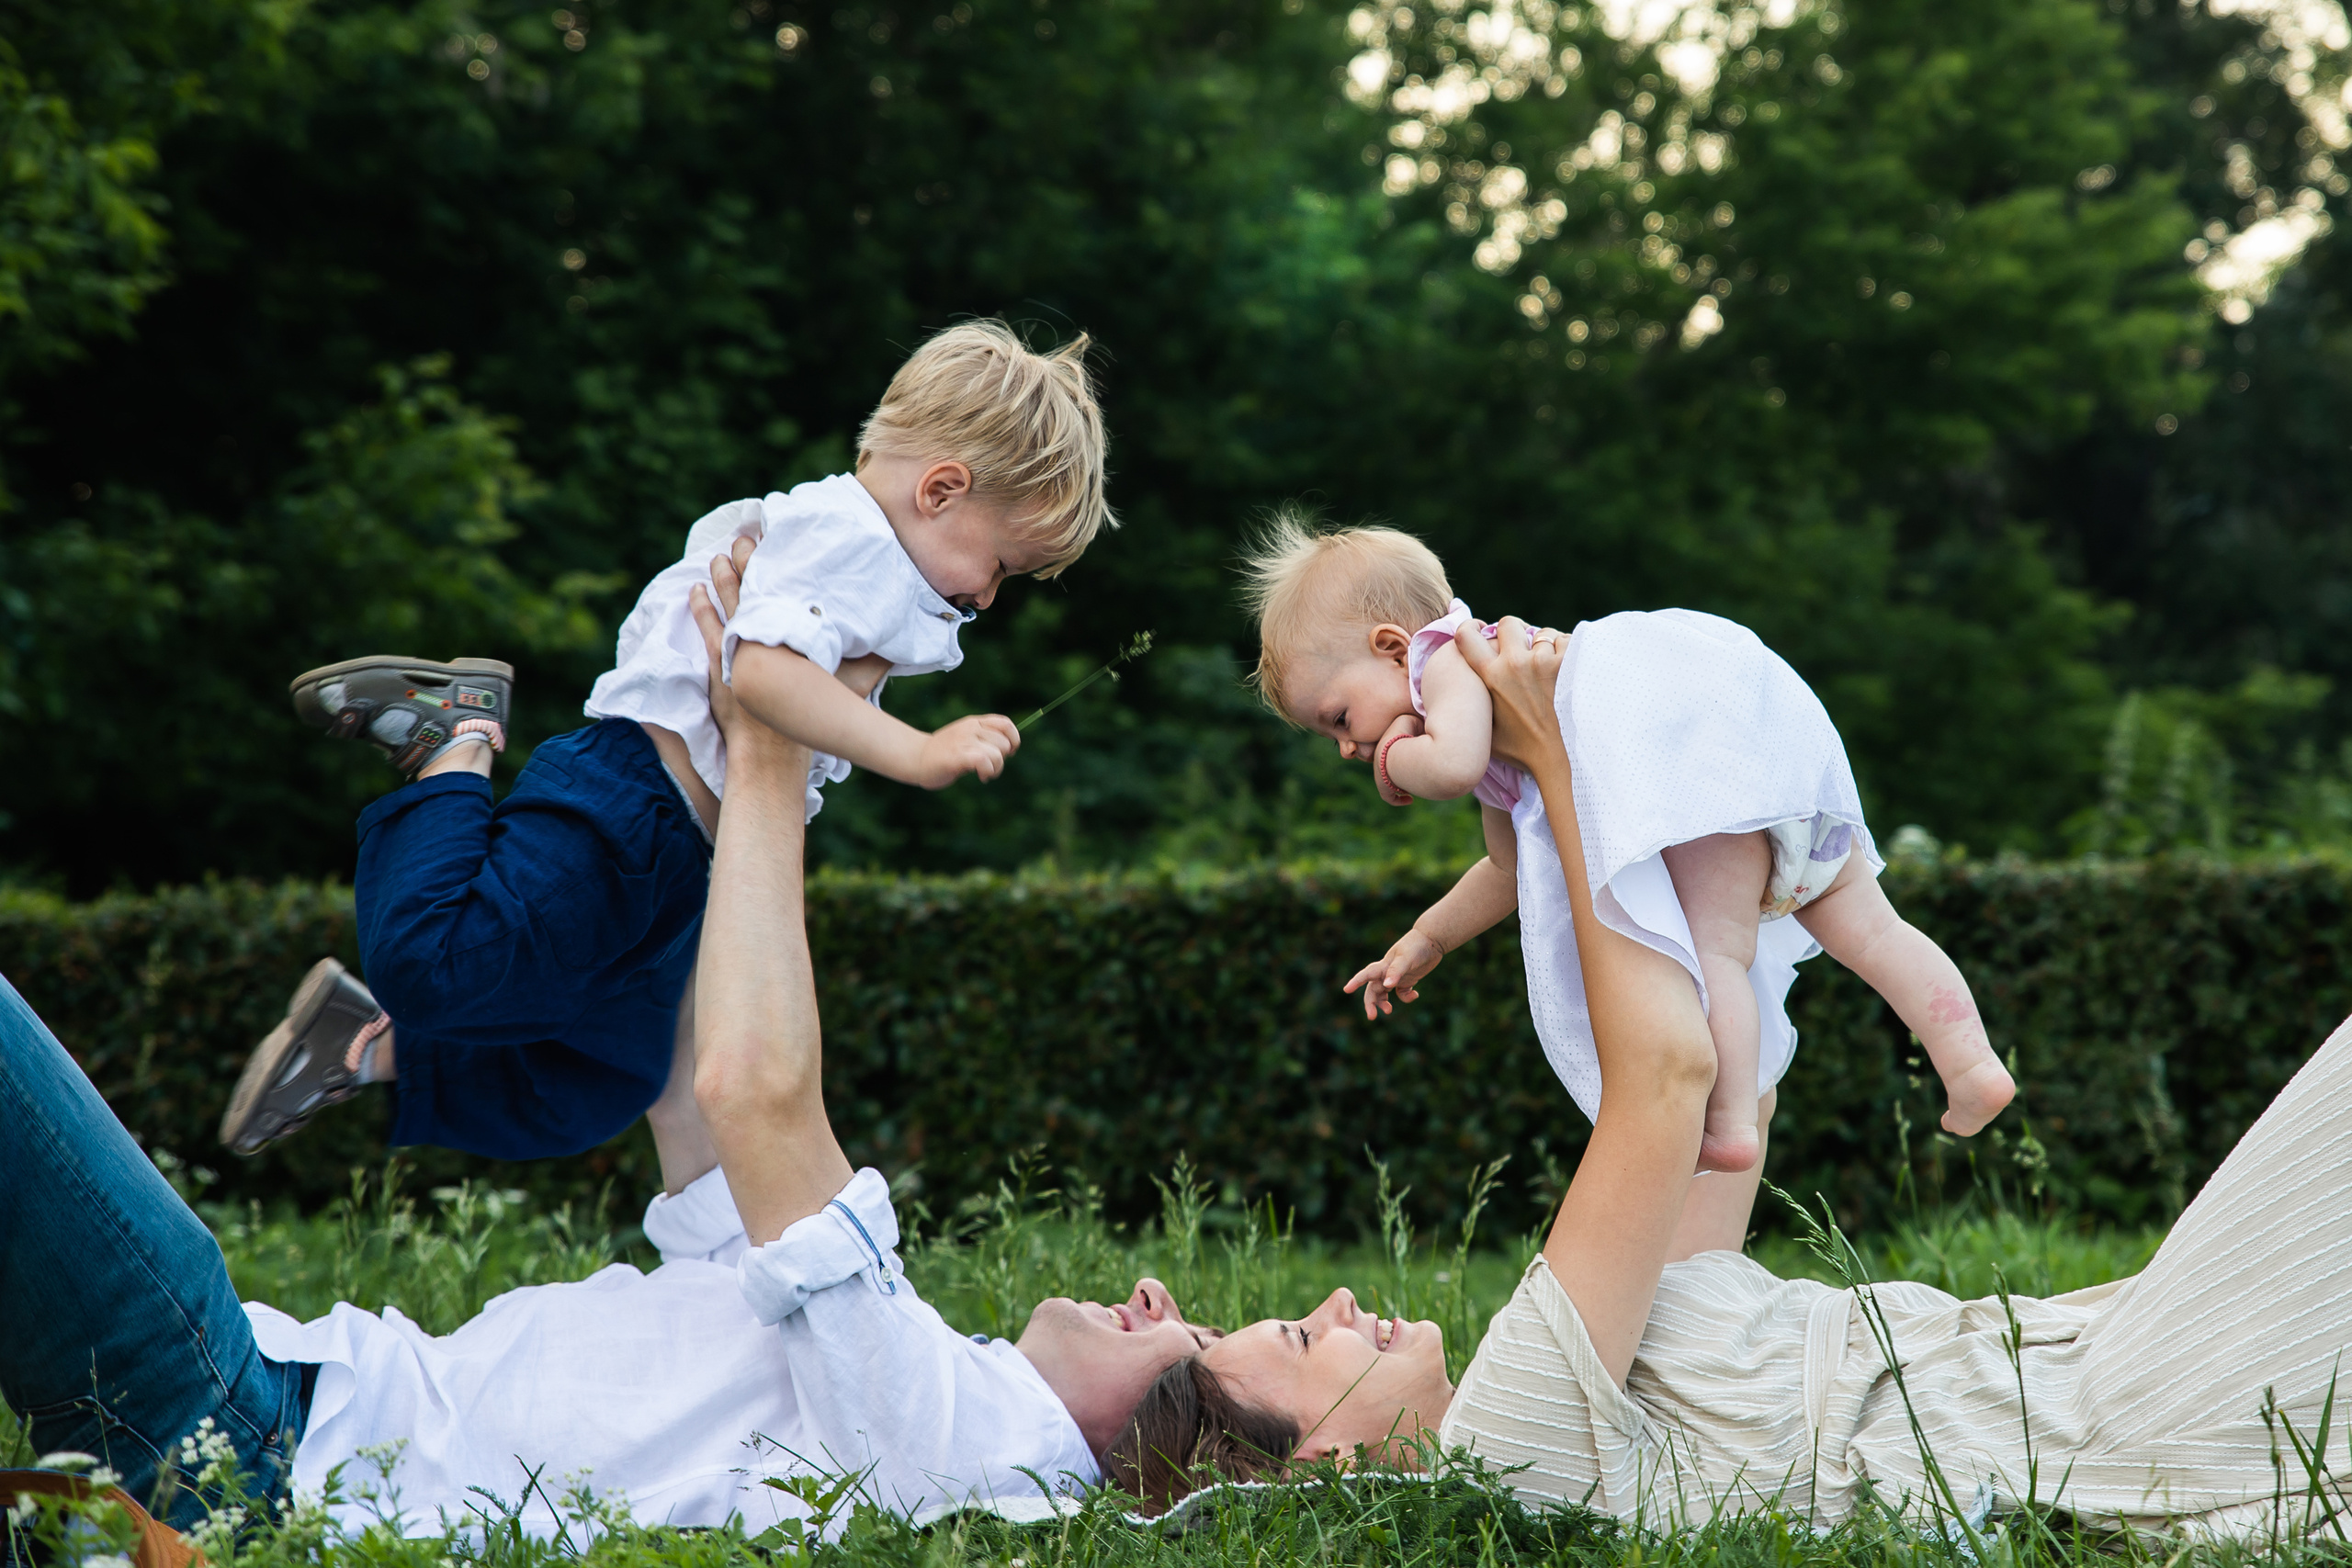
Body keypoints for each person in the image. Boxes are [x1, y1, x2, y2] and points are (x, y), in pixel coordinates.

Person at [0, 552, 1204, 1542]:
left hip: (242, 1443)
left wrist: (774, 731)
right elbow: (695, 1080)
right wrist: (730, 766)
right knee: (613, 1062)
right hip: (253, 1416)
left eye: (1231, 1336)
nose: (1160, 1292)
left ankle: (447, 765)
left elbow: (757, 1093)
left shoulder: (970, 1444)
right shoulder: (901, 1376)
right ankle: (387, 1040)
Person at [1143, 616, 2352, 1537]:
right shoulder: (1504, 1446)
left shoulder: (1581, 1378)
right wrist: (1561, 758)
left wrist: (1688, 815)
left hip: (2099, 1353)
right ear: (1326, 1464)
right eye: (1306, 1336)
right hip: (2125, 1416)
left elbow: (1726, 1099)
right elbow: (1665, 1075)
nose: (1343, 1300)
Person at [220, 321, 1114, 1162]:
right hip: (632, 806)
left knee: (602, 1081)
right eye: (1003, 566)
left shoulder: (863, 549)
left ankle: (365, 1046)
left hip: (677, 859)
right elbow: (759, 672)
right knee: (434, 965)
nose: (989, 598)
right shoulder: (849, 542)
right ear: (941, 490)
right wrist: (913, 751)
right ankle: (453, 737)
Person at [1237, 512, 2012, 1173]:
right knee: (1873, 928)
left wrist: (1394, 755)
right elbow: (1509, 866)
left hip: (1705, 787)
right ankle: (1970, 1062)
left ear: (1393, 646)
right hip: (1756, 761)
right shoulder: (1493, 697)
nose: (1346, 747)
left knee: (1717, 955)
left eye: (1339, 719)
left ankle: (1731, 1124)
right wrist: (1429, 936)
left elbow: (1452, 765)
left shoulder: (1448, 659)